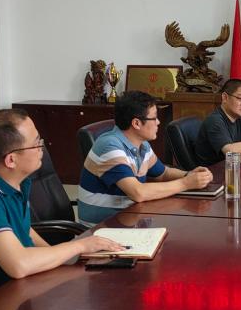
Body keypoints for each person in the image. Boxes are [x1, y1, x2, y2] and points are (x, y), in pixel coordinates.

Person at [0, 109, 123, 302]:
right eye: (36, 143)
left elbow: (25, 230)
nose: (41, 148)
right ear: (11, 160)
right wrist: (79, 246)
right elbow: (19, 265)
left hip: (21, 288)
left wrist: (61, 259)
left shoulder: (14, 181)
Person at [78, 91, 214, 224]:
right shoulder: (110, 146)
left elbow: (163, 174)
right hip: (102, 227)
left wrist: (189, 175)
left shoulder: (142, 144)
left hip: (130, 217)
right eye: (154, 118)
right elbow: (138, 193)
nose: (158, 122)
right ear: (136, 123)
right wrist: (186, 183)